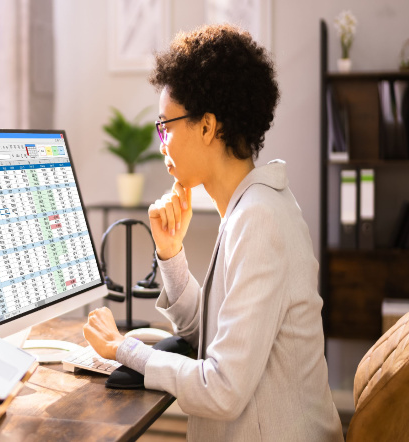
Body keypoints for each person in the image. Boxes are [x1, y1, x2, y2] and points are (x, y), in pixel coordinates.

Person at [83, 24, 344, 441]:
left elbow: (222, 389)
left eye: (166, 125)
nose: (162, 141)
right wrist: (171, 255)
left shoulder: (260, 220)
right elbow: (214, 338)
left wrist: (123, 350)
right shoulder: (250, 208)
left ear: (207, 127)